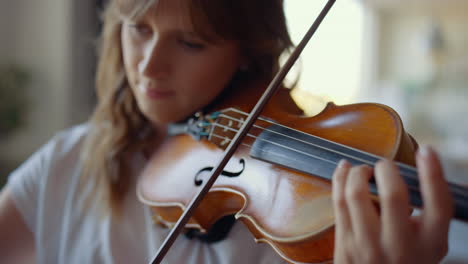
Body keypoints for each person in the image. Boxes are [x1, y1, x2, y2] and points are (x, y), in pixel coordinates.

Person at [0, 0, 454, 263]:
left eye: (191, 42)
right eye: (138, 29)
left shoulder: (307, 226)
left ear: (246, 52)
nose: (149, 66)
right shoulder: (68, 160)